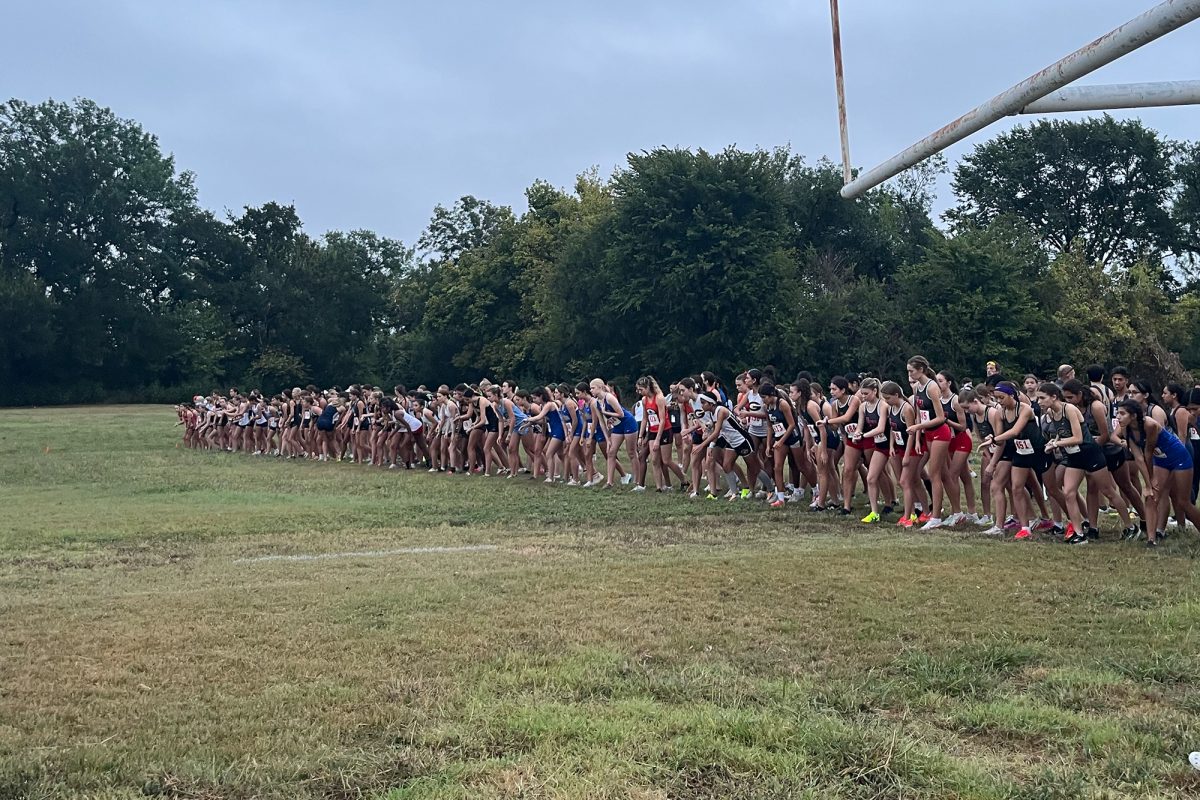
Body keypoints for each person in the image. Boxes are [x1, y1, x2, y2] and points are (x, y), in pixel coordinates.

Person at [1114, 399, 1200, 547]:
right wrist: (1148, 485)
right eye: (1117, 413)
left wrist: (1152, 479)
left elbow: (1147, 453)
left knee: (1183, 501)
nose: (1118, 417)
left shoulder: (1150, 424)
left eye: (1122, 413)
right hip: (1160, 459)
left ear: (1134, 415)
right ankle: (1151, 539)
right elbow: (1139, 458)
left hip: (1178, 456)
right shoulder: (1125, 428)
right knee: (1151, 497)